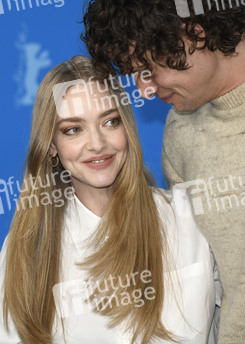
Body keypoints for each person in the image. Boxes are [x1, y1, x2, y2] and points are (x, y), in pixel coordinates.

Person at [81, 0, 245, 343]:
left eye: (148, 69)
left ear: (194, 32)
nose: (144, 91)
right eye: (134, 74)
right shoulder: (180, 131)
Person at [0, 56, 220, 344]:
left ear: (126, 127)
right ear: (52, 146)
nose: (97, 143)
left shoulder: (190, 216)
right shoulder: (24, 249)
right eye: (73, 129)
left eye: (110, 121)